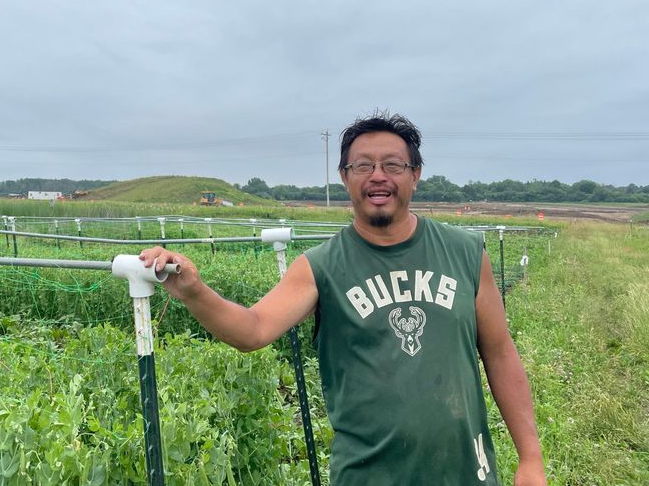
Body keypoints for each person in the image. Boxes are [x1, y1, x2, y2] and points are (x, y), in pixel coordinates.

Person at [140, 111, 546, 486]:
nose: (378, 176)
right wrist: (194, 290)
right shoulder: (320, 266)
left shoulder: (465, 253)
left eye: (393, 165)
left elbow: (499, 352)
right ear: (345, 176)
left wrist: (530, 458)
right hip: (367, 477)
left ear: (415, 174)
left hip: (464, 471)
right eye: (363, 165)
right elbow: (253, 329)